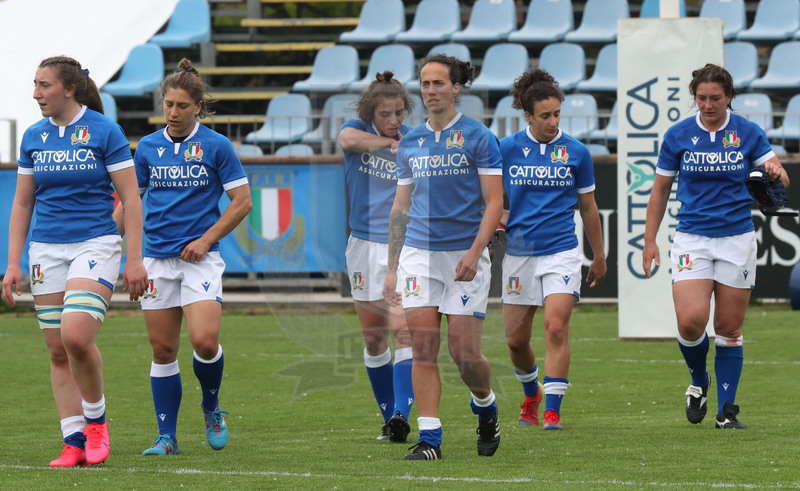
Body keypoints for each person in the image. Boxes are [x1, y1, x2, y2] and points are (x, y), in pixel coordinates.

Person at [2, 56, 147, 467]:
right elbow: (22, 203)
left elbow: (132, 200)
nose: (35, 93)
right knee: (57, 349)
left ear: (69, 89)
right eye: (34, 84)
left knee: (76, 336)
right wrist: (13, 263)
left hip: (95, 245)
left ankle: (97, 423)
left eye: (43, 85)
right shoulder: (33, 136)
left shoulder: (105, 131)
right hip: (45, 250)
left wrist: (133, 259)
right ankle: (74, 441)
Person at [117, 59, 252, 455]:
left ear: (198, 107)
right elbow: (131, 203)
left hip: (200, 260)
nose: (173, 113)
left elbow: (241, 203)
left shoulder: (216, 146)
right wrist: (118, 246)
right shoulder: (148, 148)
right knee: (162, 350)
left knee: (205, 342)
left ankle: (211, 406)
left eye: (181, 106)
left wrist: (206, 239)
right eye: (168, 105)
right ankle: (167, 437)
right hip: (157, 259)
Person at [642, 64, 789, 429]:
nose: (708, 105)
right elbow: (660, 189)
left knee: (728, 328)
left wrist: (775, 173)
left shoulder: (748, 132)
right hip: (692, 235)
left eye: (715, 98)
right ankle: (698, 379)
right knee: (691, 322)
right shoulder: (677, 135)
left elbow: (780, 178)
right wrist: (649, 240)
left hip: (737, 237)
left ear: (729, 97)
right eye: (702, 98)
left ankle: (727, 412)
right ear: (695, 97)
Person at [382, 54, 503, 460]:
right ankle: (429, 438)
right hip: (419, 254)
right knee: (423, 348)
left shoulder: (479, 137)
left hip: (464, 256)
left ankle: (485, 406)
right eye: (425, 83)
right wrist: (393, 267)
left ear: (456, 88)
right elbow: (401, 208)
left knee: (464, 355)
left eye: (438, 83)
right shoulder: (411, 142)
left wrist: (475, 252)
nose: (430, 90)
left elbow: (494, 204)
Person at [499, 68, 607, 431]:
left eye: (557, 113)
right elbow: (493, 199)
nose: (552, 121)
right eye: (544, 115)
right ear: (527, 115)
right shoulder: (507, 149)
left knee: (556, 327)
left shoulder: (576, 152)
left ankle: (552, 411)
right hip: (518, 253)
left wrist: (600, 255)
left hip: (561, 250)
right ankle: (532, 393)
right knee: (515, 340)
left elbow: (589, 207)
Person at [338, 71, 416, 443]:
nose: (394, 121)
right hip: (361, 245)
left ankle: (402, 412)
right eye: (386, 114)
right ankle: (390, 420)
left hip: (400, 245)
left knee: (403, 328)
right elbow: (346, 139)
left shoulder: (413, 141)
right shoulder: (357, 129)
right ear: (372, 111)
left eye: (399, 113)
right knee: (373, 339)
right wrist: (387, 144)